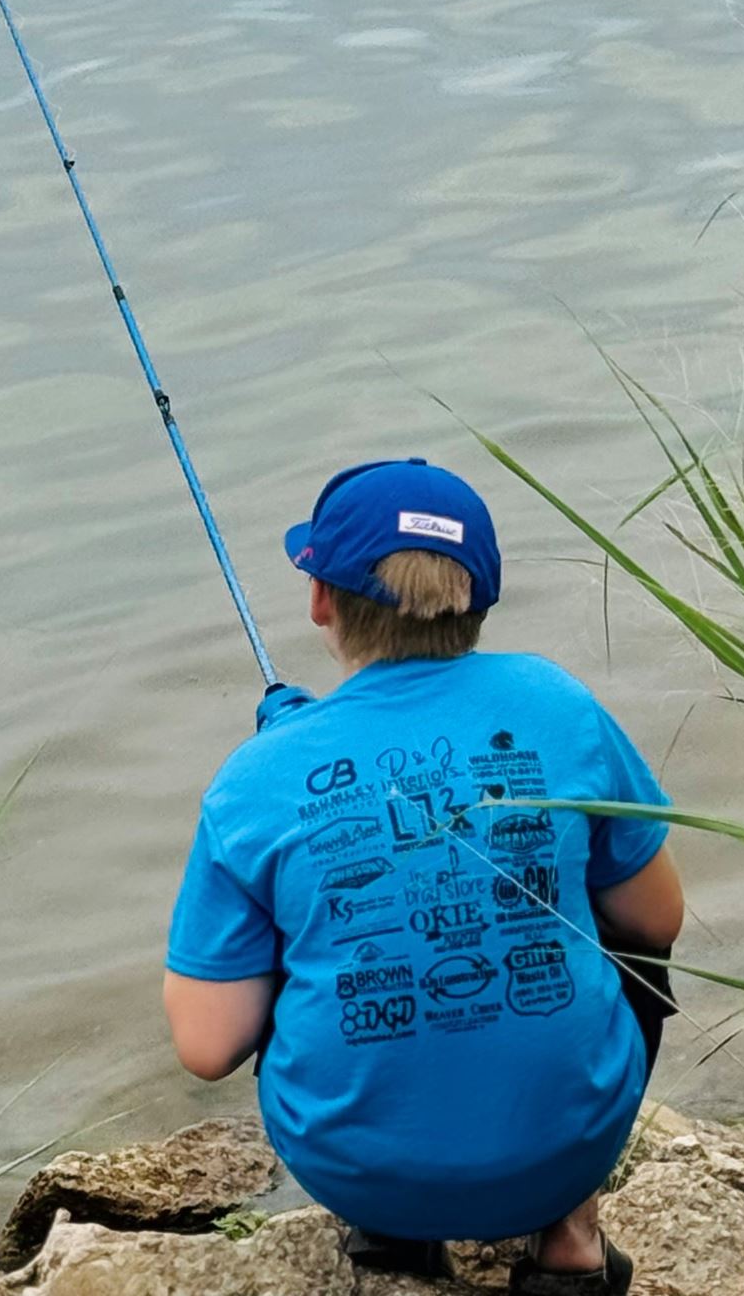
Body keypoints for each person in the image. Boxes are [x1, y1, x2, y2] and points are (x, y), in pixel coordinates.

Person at [164, 459, 684, 1293]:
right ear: (479, 600)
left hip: (354, 1170)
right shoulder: (559, 703)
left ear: (320, 601)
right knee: (618, 938)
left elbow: (207, 1045)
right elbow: (655, 923)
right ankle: (571, 1240)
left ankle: (392, 1232)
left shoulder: (254, 777)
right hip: (563, 1152)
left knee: (308, 949)